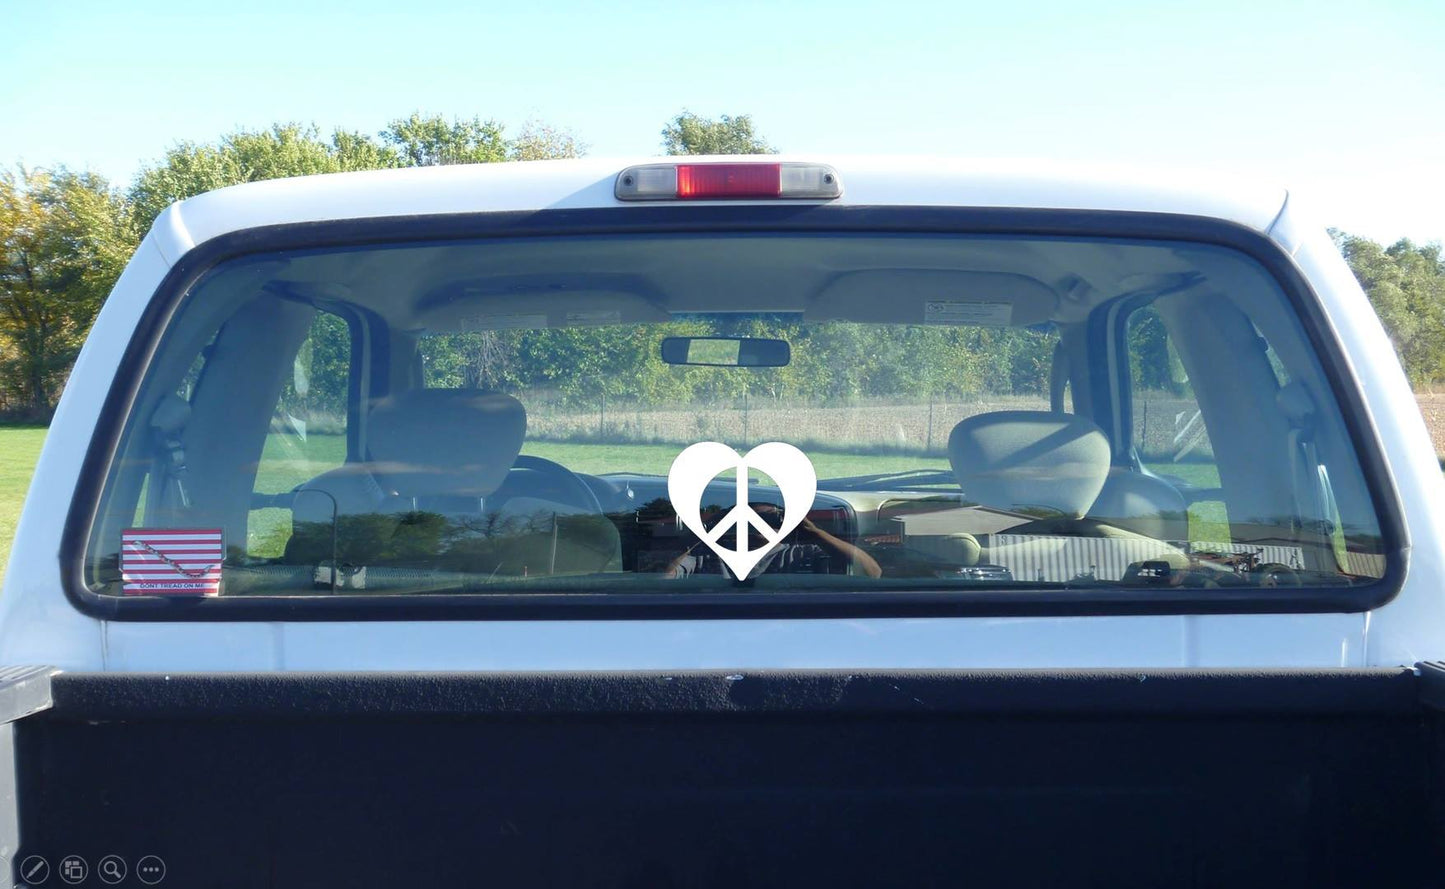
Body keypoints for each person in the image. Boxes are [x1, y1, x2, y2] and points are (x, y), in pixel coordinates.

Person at [664, 503, 883, 580]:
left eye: (767, 519)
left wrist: (815, 533)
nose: (755, 525)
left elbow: (872, 572)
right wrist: (701, 537)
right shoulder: (706, 555)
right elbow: (663, 580)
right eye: (744, 518)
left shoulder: (800, 553)